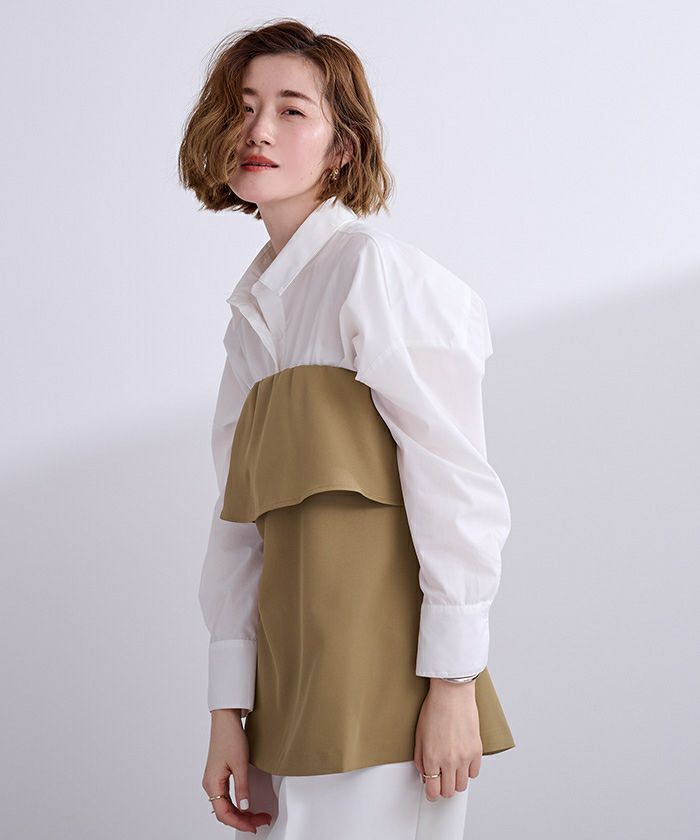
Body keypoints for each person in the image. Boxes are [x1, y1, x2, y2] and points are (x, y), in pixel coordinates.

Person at [178, 18, 515, 840]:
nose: (258, 129)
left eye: (292, 110)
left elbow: (456, 487)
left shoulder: (375, 273)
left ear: (343, 149)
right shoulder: (252, 321)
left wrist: (453, 686)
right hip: (288, 693)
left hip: (387, 693)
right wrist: (229, 711)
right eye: (243, 107)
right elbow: (238, 531)